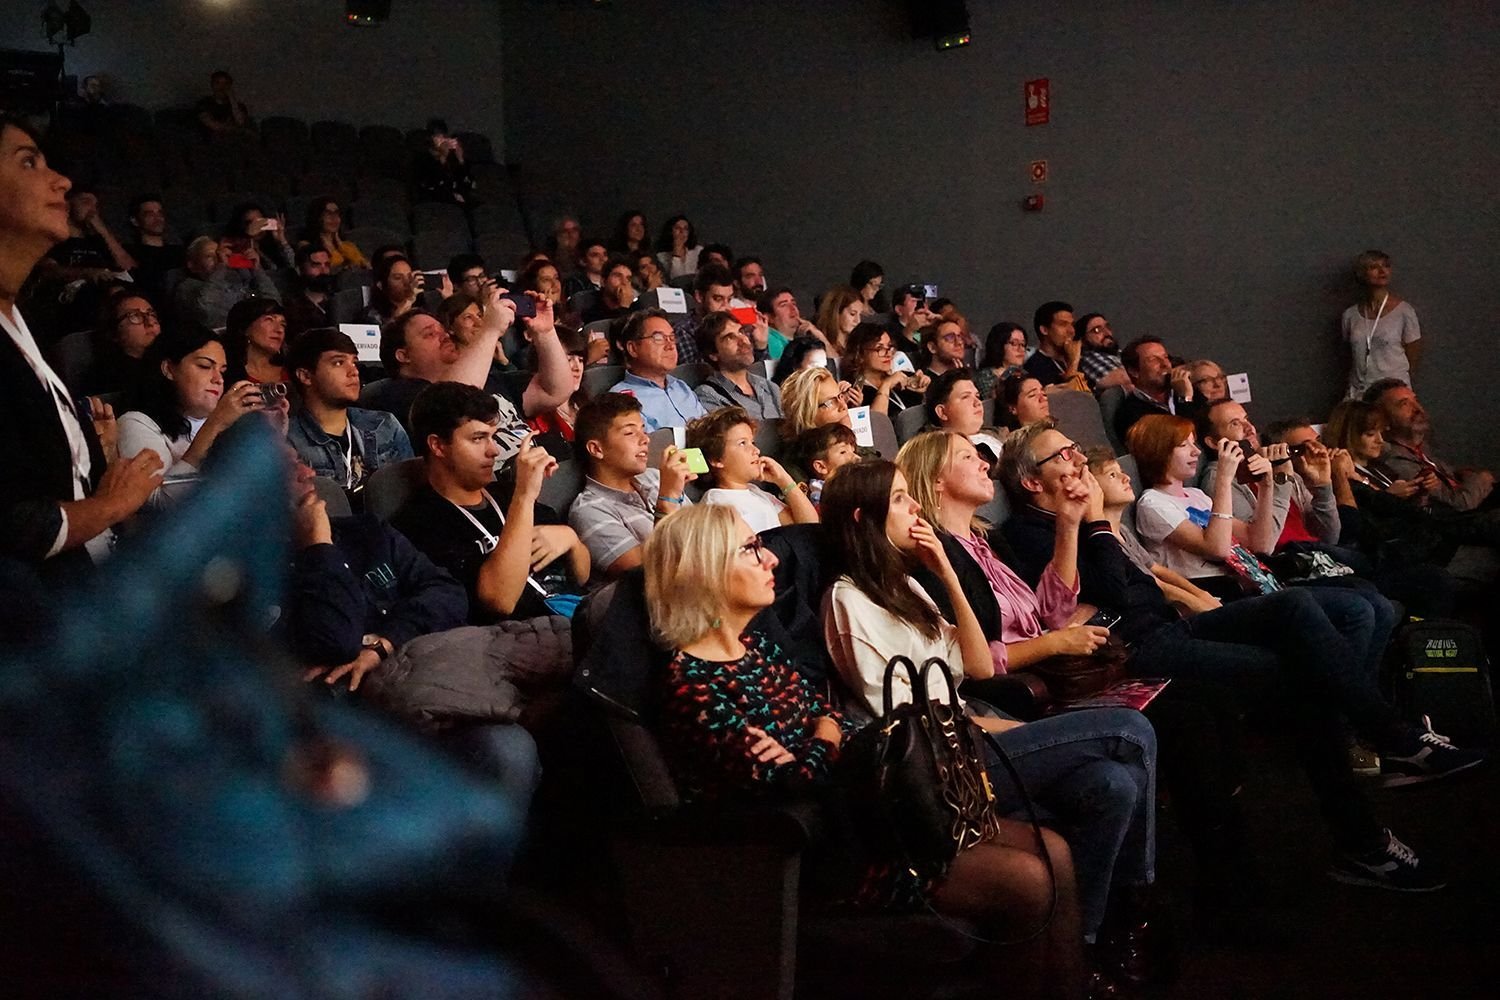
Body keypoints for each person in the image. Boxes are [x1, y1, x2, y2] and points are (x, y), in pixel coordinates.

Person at [1002, 420, 1482, 891]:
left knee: (1296, 606)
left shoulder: (1082, 518)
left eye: (1075, 449)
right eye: (1063, 455)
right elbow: (1113, 593)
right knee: (1306, 682)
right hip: (1138, 651)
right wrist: (1095, 522)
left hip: (1171, 626)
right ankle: (1367, 828)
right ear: (1030, 480)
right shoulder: (1030, 530)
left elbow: (1139, 586)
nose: (1079, 459)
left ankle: (1389, 742)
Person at [643, 504, 1088, 998]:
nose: (770, 558)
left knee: (1055, 849)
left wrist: (818, 738)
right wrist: (822, 739)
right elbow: (792, 785)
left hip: (866, 816)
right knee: (1024, 881)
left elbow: (825, 721)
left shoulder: (758, 648)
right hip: (829, 852)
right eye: (750, 549)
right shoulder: (692, 685)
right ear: (704, 570)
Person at [820, 460, 1155, 977]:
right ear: (866, 518)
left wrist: (948, 574)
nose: (915, 510)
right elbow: (907, 718)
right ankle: (1136, 908)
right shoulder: (847, 599)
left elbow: (976, 666)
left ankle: (1083, 944)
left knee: (1113, 781)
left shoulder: (906, 586)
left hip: (966, 733)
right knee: (1128, 728)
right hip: (932, 767)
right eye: (902, 500)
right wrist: (1019, 733)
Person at [0, 115, 163, 583]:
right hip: (40, 610)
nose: (62, 181)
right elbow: (18, 524)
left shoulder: (20, 322)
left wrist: (106, 458)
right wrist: (114, 503)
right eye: (29, 162)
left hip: (87, 575)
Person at [392, 382, 587, 624]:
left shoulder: (505, 494)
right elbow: (500, 601)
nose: (494, 450)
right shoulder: (418, 525)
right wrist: (525, 497)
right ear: (438, 445)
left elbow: (583, 576)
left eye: (493, 437)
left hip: (576, 615)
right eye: (478, 438)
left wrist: (571, 539)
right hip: (516, 638)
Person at [362, 289, 569, 466]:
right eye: (429, 334)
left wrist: (545, 332)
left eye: (443, 330)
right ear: (403, 355)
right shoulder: (398, 394)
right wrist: (489, 330)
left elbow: (555, 391)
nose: (445, 336)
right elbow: (452, 405)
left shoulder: (490, 378)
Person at [116, 327, 269, 507]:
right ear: (168, 369)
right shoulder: (135, 422)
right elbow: (159, 503)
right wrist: (215, 424)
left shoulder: (227, 421)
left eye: (222, 371)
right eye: (205, 366)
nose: (218, 379)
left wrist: (274, 430)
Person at [568, 392, 698, 577]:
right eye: (630, 433)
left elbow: (700, 533)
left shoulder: (654, 477)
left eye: (643, 430)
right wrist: (668, 499)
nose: (645, 439)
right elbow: (645, 574)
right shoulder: (588, 510)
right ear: (597, 449)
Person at [286, 328, 412, 493]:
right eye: (338, 362)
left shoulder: (384, 425)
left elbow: (413, 490)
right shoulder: (285, 440)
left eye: (354, 362)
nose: (354, 372)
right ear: (305, 376)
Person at [1366, 378, 1493, 512]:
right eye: (1404, 404)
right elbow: (1459, 504)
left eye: (1415, 400)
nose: (1417, 409)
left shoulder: (1421, 449)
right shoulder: (1394, 461)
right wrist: (1481, 478)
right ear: (1382, 419)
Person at [685, 407, 818, 531]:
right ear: (716, 460)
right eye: (742, 443)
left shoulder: (756, 492)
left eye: (752, 443)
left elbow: (809, 527)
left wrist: (784, 480)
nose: (756, 450)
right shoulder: (716, 503)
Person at [607, 308, 707, 432]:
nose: (670, 346)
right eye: (658, 338)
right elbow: (649, 446)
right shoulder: (621, 398)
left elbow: (709, 427)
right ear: (633, 348)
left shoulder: (681, 386)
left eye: (672, 337)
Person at [1343, 250, 1421, 399]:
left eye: (1386, 266)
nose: (1382, 271)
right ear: (1363, 273)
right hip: (1360, 390)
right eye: (1374, 267)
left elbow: (1413, 352)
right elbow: (1348, 354)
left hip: (1393, 392)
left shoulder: (1404, 311)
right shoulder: (1350, 315)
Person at [171, 234, 279, 330]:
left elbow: (274, 305)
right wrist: (221, 267)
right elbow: (209, 313)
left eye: (219, 254)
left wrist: (257, 270)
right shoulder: (186, 287)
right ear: (192, 265)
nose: (218, 259)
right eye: (210, 256)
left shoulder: (235, 279)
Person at [693, 311, 783, 420]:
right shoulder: (709, 395)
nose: (743, 340)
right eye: (729, 338)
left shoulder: (769, 387)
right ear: (713, 354)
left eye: (741, 331)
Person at [76, 287, 160, 397]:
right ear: (113, 332)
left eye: (151, 314)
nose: (150, 322)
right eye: (135, 316)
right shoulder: (105, 378)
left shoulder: (172, 360)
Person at [1112, 336, 1197, 444]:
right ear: (1134, 371)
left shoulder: (1185, 389)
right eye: (1153, 360)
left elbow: (1208, 429)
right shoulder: (1130, 414)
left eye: (1165, 357)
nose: (1165, 364)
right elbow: (1178, 441)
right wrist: (1185, 400)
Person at [924, 369, 1006, 467]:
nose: (978, 403)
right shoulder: (947, 454)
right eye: (965, 397)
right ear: (942, 412)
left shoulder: (999, 433)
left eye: (977, 396)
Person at [842, 323, 928, 415]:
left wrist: (923, 386)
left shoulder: (901, 377)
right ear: (860, 354)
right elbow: (878, 425)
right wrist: (886, 385)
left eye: (889, 347)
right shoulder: (855, 392)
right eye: (880, 348)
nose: (888, 354)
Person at [524, 325, 588, 441]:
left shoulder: (585, 406)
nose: (577, 368)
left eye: (581, 360)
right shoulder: (536, 421)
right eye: (568, 360)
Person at [668, 263, 736, 365]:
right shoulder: (683, 330)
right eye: (718, 299)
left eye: (729, 299)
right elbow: (695, 373)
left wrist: (760, 347)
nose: (726, 307)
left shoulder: (734, 325)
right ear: (699, 296)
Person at [123, 193, 184, 300]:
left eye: (160, 213)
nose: (158, 219)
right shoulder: (130, 252)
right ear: (135, 220)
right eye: (150, 214)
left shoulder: (178, 251)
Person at [1022, 301, 1090, 392]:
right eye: (1063, 324)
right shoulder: (1035, 367)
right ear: (1044, 330)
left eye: (1072, 325)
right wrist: (1073, 364)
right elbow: (1069, 401)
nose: (1072, 331)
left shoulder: (1074, 359)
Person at [778, 365, 860, 439]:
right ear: (806, 415)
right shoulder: (802, 455)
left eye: (840, 396)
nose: (843, 406)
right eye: (830, 402)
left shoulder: (865, 453)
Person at [787, 422, 859, 505]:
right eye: (843, 452)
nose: (855, 457)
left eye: (853, 451)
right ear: (821, 467)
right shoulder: (822, 497)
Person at [223, 297, 289, 385]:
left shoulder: (293, 372)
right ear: (246, 328)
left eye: (283, 324)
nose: (279, 329)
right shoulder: (226, 373)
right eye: (269, 320)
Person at [413, 120, 476, 205]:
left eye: (444, 136)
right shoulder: (422, 159)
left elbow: (466, 182)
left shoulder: (452, 159)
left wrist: (461, 159)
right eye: (438, 137)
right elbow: (430, 183)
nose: (442, 140)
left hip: (456, 202)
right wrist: (443, 156)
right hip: (434, 202)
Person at [298, 197, 369, 271]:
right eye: (328, 214)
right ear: (317, 218)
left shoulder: (348, 245)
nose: (334, 218)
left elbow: (364, 265)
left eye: (336, 213)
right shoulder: (307, 245)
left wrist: (340, 245)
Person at [363, 254, 430, 326]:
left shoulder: (421, 309)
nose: (407, 282)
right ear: (381, 285)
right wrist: (408, 300)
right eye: (398, 278)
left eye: (409, 276)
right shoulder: (371, 315)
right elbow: (385, 333)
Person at [283, 244, 333, 339]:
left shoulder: (339, 300)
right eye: (316, 265)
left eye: (327, 265)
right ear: (300, 270)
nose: (323, 271)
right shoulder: (291, 307)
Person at [757, 286, 819, 361]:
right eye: (784, 305)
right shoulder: (771, 341)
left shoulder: (801, 339)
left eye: (794, 303)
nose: (793, 308)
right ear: (768, 318)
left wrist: (817, 333)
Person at [228, 201, 293, 272]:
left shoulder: (272, 244)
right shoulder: (236, 249)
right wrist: (249, 238)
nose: (256, 226)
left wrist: (282, 241)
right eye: (250, 223)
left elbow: (294, 267)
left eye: (260, 221)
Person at [1076, 313, 1131, 391]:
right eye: (1097, 330)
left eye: (1107, 327)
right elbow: (1123, 378)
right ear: (1083, 340)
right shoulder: (1089, 357)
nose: (1107, 333)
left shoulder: (1120, 353)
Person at [975, 322, 1029, 400]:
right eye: (1014, 343)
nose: (1021, 349)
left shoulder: (1023, 373)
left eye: (1023, 344)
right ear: (999, 345)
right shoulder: (986, 377)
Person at [812, 285, 864, 362]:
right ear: (836, 312)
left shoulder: (858, 344)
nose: (858, 320)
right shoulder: (816, 345)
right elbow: (836, 367)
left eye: (860, 314)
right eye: (852, 314)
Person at [581, 255, 638, 324]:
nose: (624, 282)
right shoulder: (591, 314)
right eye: (618, 276)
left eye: (628, 278)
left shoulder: (637, 312)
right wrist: (624, 307)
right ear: (603, 282)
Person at [196, 70, 250, 135]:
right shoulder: (204, 103)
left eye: (226, 83)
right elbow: (213, 125)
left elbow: (241, 122)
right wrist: (235, 129)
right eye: (217, 83)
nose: (222, 87)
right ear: (212, 85)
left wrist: (232, 99)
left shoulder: (238, 106)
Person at [655, 214, 700, 279]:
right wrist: (677, 252)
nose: (682, 232)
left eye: (685, 229)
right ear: (670, 232)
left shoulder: (698, 251)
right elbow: (676, 279)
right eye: (677, 228)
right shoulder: (661, 257)